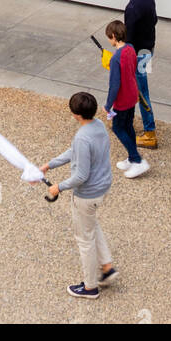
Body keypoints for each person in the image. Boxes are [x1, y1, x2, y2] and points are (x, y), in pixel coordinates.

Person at [41, 90, 118, 300]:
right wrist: (50, 164)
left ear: (75, 114)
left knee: (85, 240)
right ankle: (108, 267)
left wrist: (59, 187)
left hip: (87, 195)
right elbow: (74, 151)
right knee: (92, 225)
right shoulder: (99, 126)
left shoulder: (82, 138)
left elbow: (81, 176)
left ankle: (90, 287)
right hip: (103, 188)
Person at [112, 0, 158, 148]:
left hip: (136, 54)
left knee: (140, 91)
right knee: (139, 87)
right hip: (148, 49)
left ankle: (149, 132)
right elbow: (154, 20)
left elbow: (128, 38)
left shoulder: (131, 8)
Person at [104, 19, 149, 179]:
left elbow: (114, 85)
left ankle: (137, 160)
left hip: (122, 100)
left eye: (109, 37)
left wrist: (108, 105)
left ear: (114, 36)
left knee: (117, 128)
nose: (109, 40)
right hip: (132, 95)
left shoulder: (115, 58)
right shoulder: (130, 49)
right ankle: (131, 158)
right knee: (128, 125)